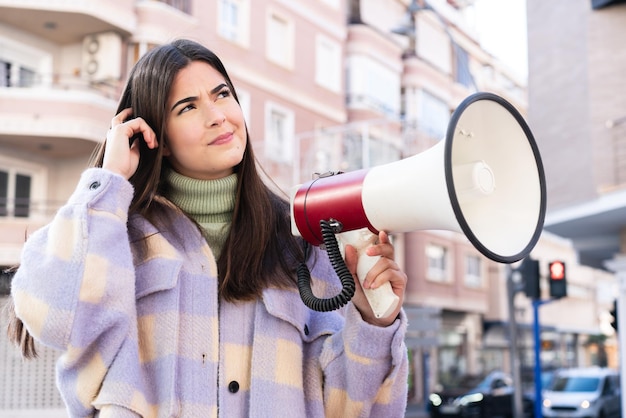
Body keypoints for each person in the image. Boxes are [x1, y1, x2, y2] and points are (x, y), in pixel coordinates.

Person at [7, 38, 409, 417]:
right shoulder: (111, 233)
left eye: (222, 95)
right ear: (157, 138)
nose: (218, 116)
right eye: (188, 107)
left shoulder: (300, 244)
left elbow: (351, 408)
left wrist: (373, 320)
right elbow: (57, 317)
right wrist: (109, 179)